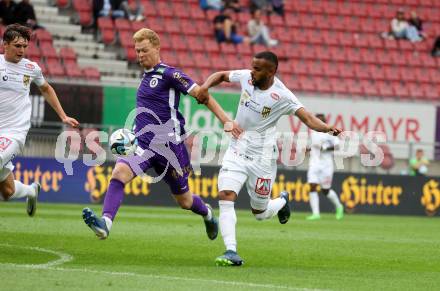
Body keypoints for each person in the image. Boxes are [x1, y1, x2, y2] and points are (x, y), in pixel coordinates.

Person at [82, 28, 242, 242]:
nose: (140, 55)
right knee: (119, 173)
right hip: (143, 144)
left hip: (170, 149)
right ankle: (105, 223)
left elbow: (202, 95)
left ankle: (207, 214)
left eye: (144, 50)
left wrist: (226, 120)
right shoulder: (145, 77)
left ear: (157, 48)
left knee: (185, 201)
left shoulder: (170, 74)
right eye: (137, 51)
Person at [199, 51, 342, 266]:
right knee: (226, 195)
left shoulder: (282, 95)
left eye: (257, 69)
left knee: (260, 212)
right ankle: (231, 251)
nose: (252, 72)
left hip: (263, 159)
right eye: (252, 66)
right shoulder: (246, 77)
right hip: (237, 150)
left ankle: (282, 201)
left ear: (271, 71)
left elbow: (308, 118)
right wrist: (204, 86)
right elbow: (221, 75)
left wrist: (327, 129)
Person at [0, 24, 79, 215]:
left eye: (25, 46)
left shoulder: (31, 68)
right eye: (17, 46)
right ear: (5, 44)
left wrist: (63, 115)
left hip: (14, 132)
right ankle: (31, 190)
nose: (22, 50)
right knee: (8, 191)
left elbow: (46, 88)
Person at [305, 114, 344, 221]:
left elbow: (337, 146)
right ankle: (316, 214)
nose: (316, 122)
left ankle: (339, 206)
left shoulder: (330, 133)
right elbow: (314, 146)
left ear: (324, 122)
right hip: (314, 163)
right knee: (312, 186)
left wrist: (325, 147)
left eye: (319, 120)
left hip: (326, 165)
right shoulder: (313, 132)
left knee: (325, 190)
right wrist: (308, 150)